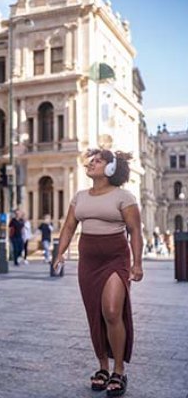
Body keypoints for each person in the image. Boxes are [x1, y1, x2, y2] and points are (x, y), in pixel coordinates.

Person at [53, 149, 143, 397]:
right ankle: (103, 366)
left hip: (115, 257)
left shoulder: (124, 196)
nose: (91, 164)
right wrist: (59, 253)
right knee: (95, 313)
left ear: (111, 169)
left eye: (98, 161)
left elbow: (135, 231)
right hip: (88, 260)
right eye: (91, 161)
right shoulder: (80, 197)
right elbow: (69, 226)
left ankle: (119, 370)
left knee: (112, 311)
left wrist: (137, 264)